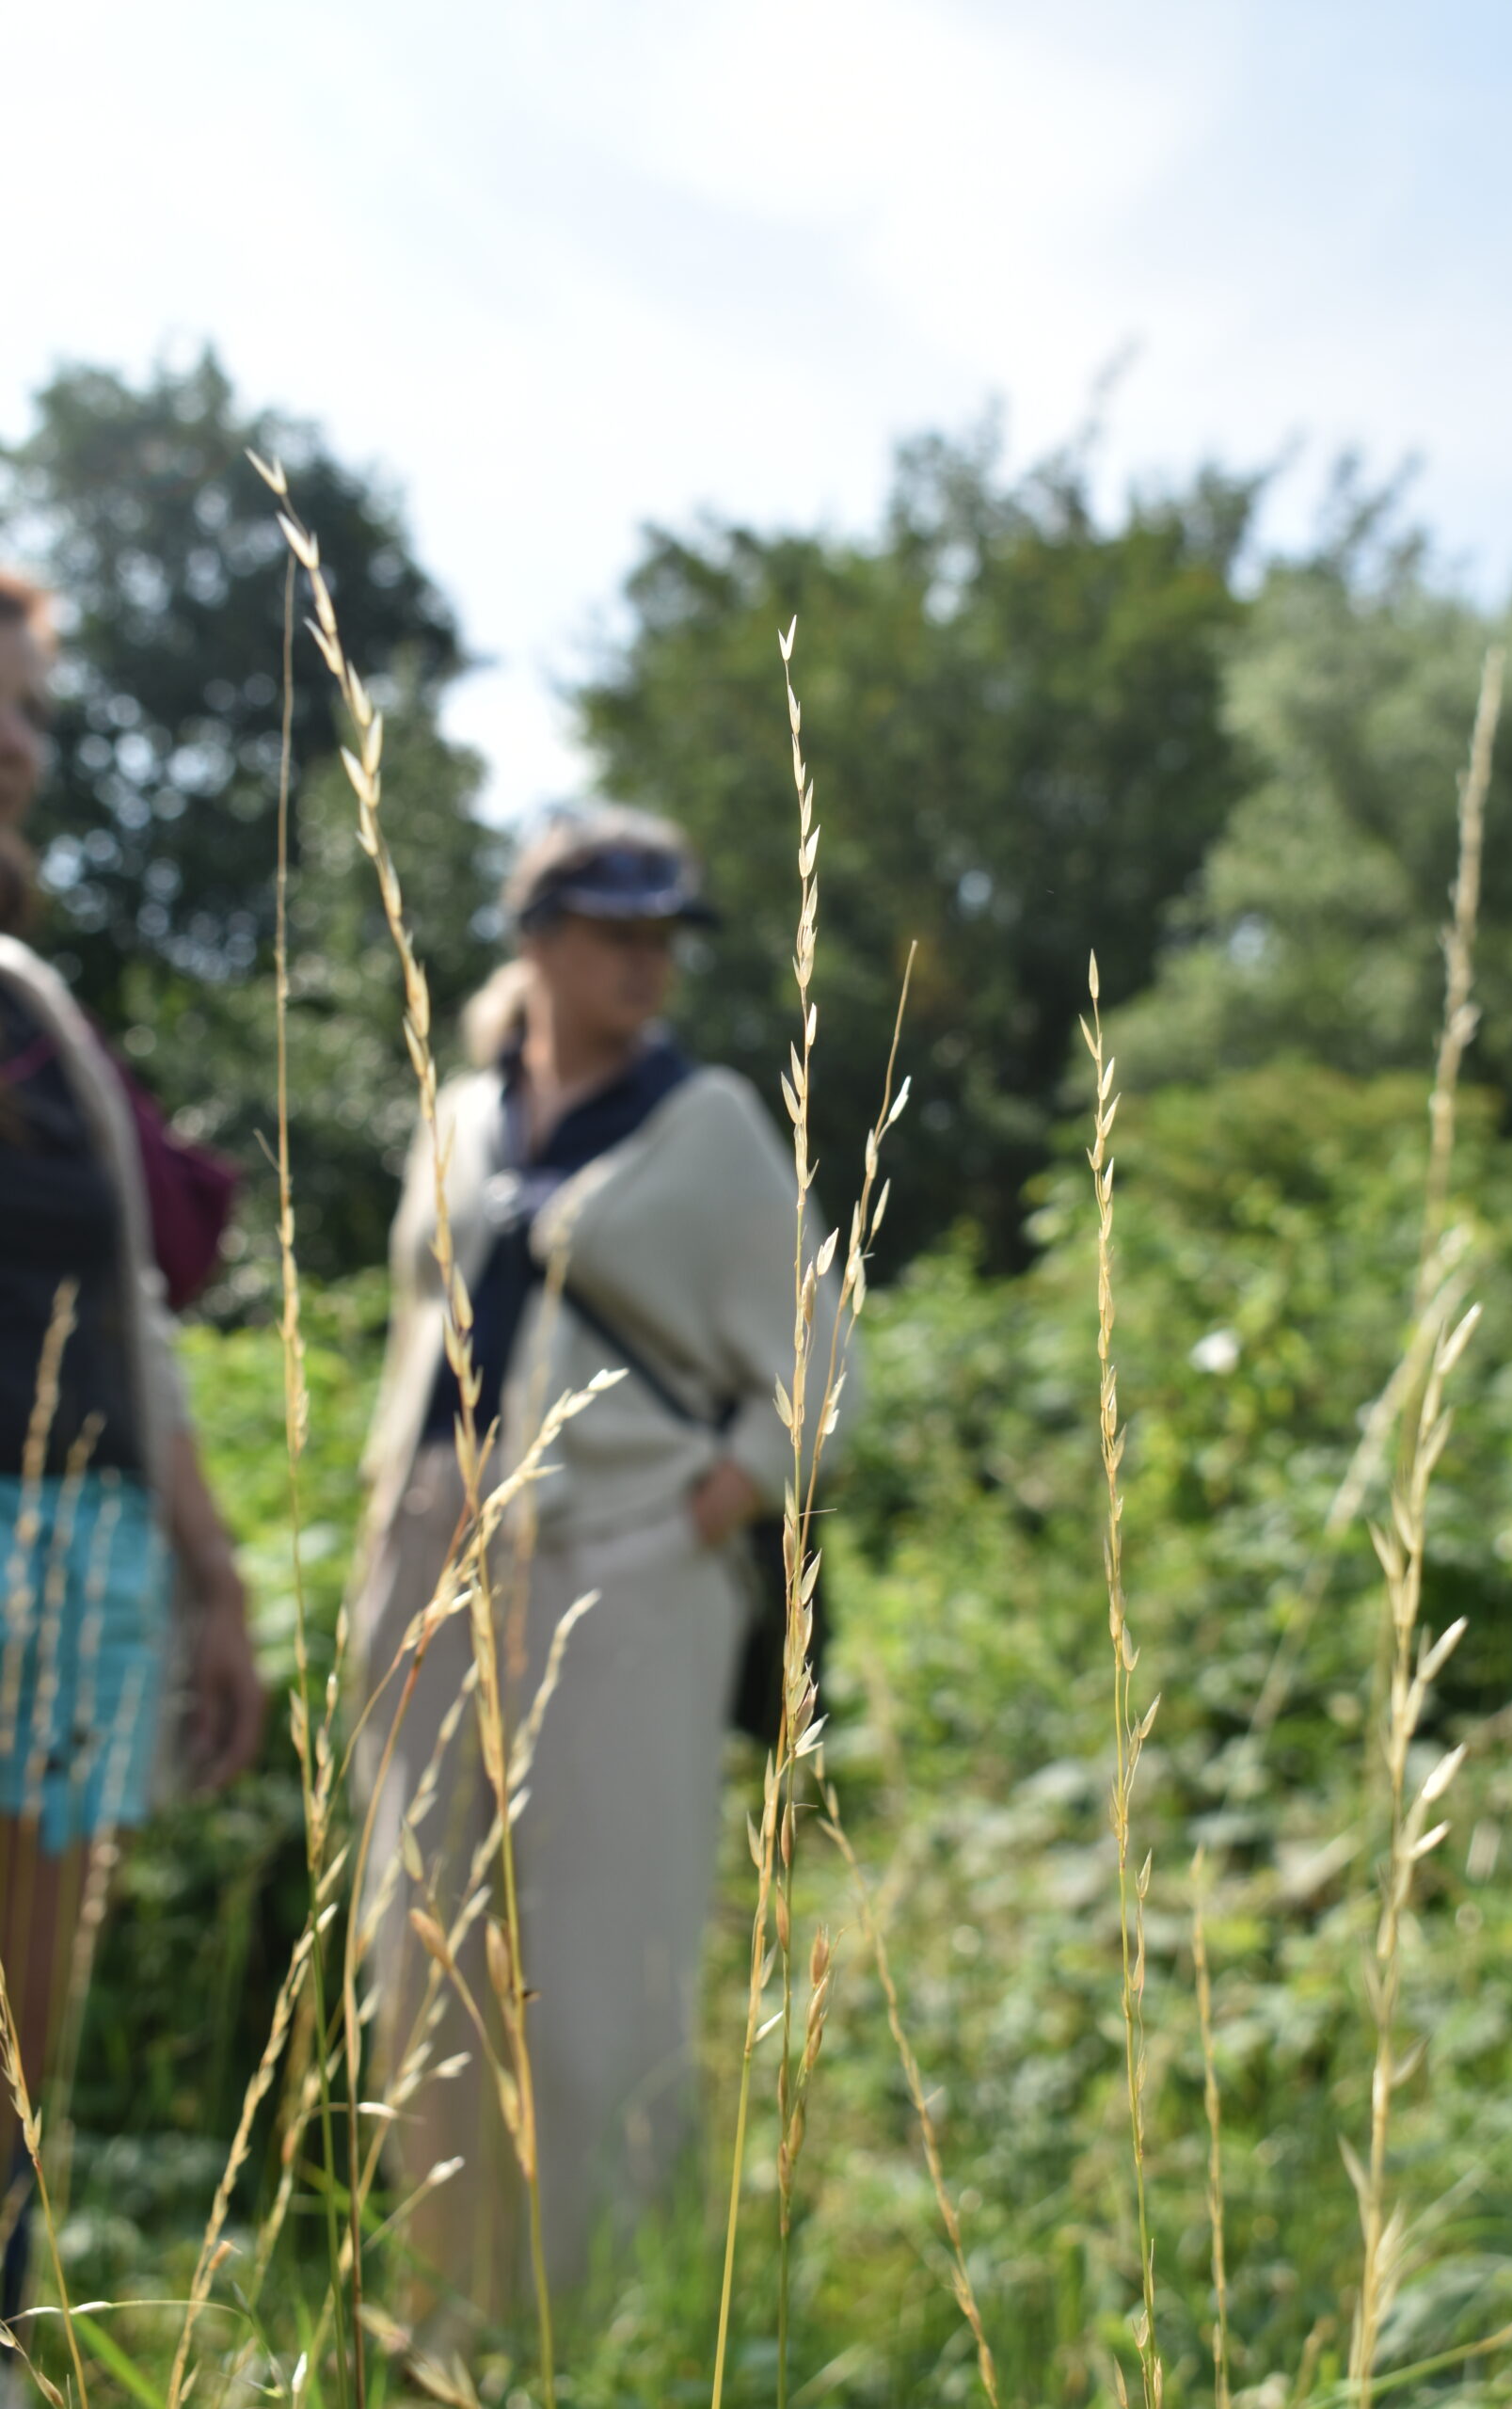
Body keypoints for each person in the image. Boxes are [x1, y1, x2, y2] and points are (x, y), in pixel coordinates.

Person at [353, 805, 845, 2324]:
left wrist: (689, 1519)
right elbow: (415, 1330)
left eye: (662, 935)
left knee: (600, 1971)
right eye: (615, 931)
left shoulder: (712, 1126)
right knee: (417, 1946)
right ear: (539, 938)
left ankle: (606, 2324)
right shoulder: (463, 1112)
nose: (646, 962)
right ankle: (449, 2312)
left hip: (621, 1567)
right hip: (432, 1564)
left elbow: (821, 1367)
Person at [0, 570, 264, 2337]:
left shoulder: (36, 1009)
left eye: (31, 710)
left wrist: (209, 1575)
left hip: (80, 1558)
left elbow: (136, 1319)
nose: (18, 745)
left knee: (20, 2060)